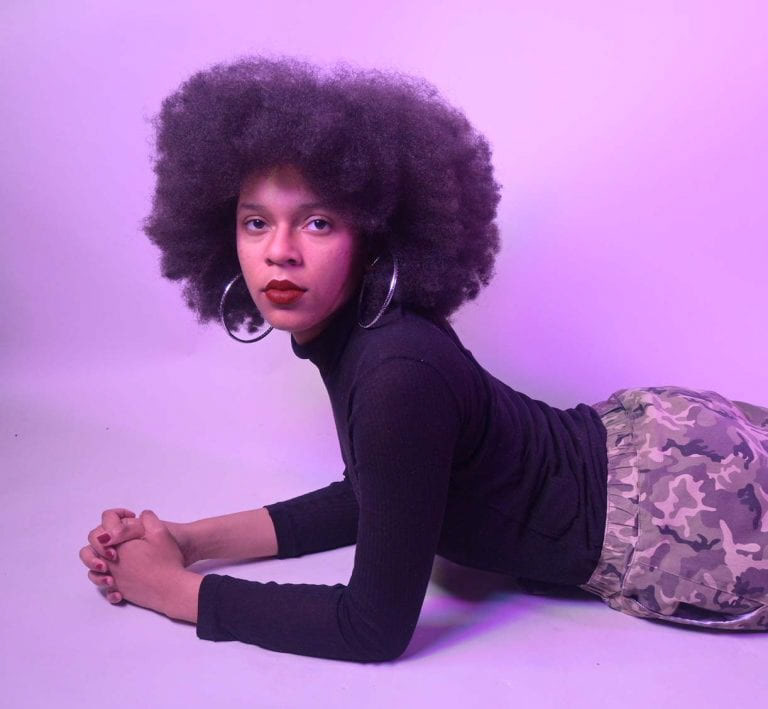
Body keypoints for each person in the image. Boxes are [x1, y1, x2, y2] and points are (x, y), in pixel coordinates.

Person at [78, 55, 768, 663]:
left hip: (688, 516)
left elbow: (371, 627)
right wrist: (188, 541)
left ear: (373, 235)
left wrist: (173, 591)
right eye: (256, 221)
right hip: (656, 450)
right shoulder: (366, 337)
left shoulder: (396, 373)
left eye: (318, 222)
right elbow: (375, 493)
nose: (279, 251)